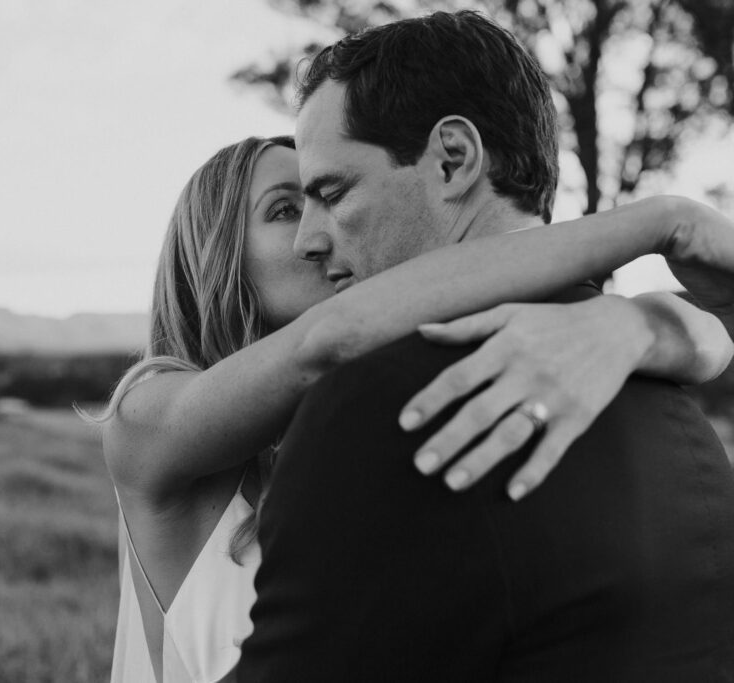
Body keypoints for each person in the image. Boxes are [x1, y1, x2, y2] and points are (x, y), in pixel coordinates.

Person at [98, 135, 734, 682]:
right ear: (214, 254)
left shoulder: (359, 422)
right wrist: (658, 225)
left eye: (329, 200)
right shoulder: (143, 416)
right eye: (285, 209)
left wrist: (637, 325)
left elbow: (712, 339)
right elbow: (328, 340)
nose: (319, 234)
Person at [235, 11, 734, 683]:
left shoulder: (384, 403)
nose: (308, 240)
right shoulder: (681, 417)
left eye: (332, 192)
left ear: (453, 160)